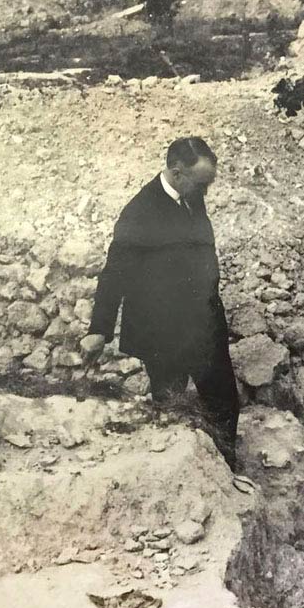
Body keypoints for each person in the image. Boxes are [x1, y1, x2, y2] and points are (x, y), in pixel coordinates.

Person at [79, 137, 240, 471]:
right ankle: (175, 478)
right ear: (177, 173)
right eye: (202, 184)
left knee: (224, 402)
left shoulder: (191, 197)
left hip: (203, 325)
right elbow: (115, 273)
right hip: (162, 331)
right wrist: (99, 329)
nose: (206, 191)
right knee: (171, 410)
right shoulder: (139, 212)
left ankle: (225, 472)